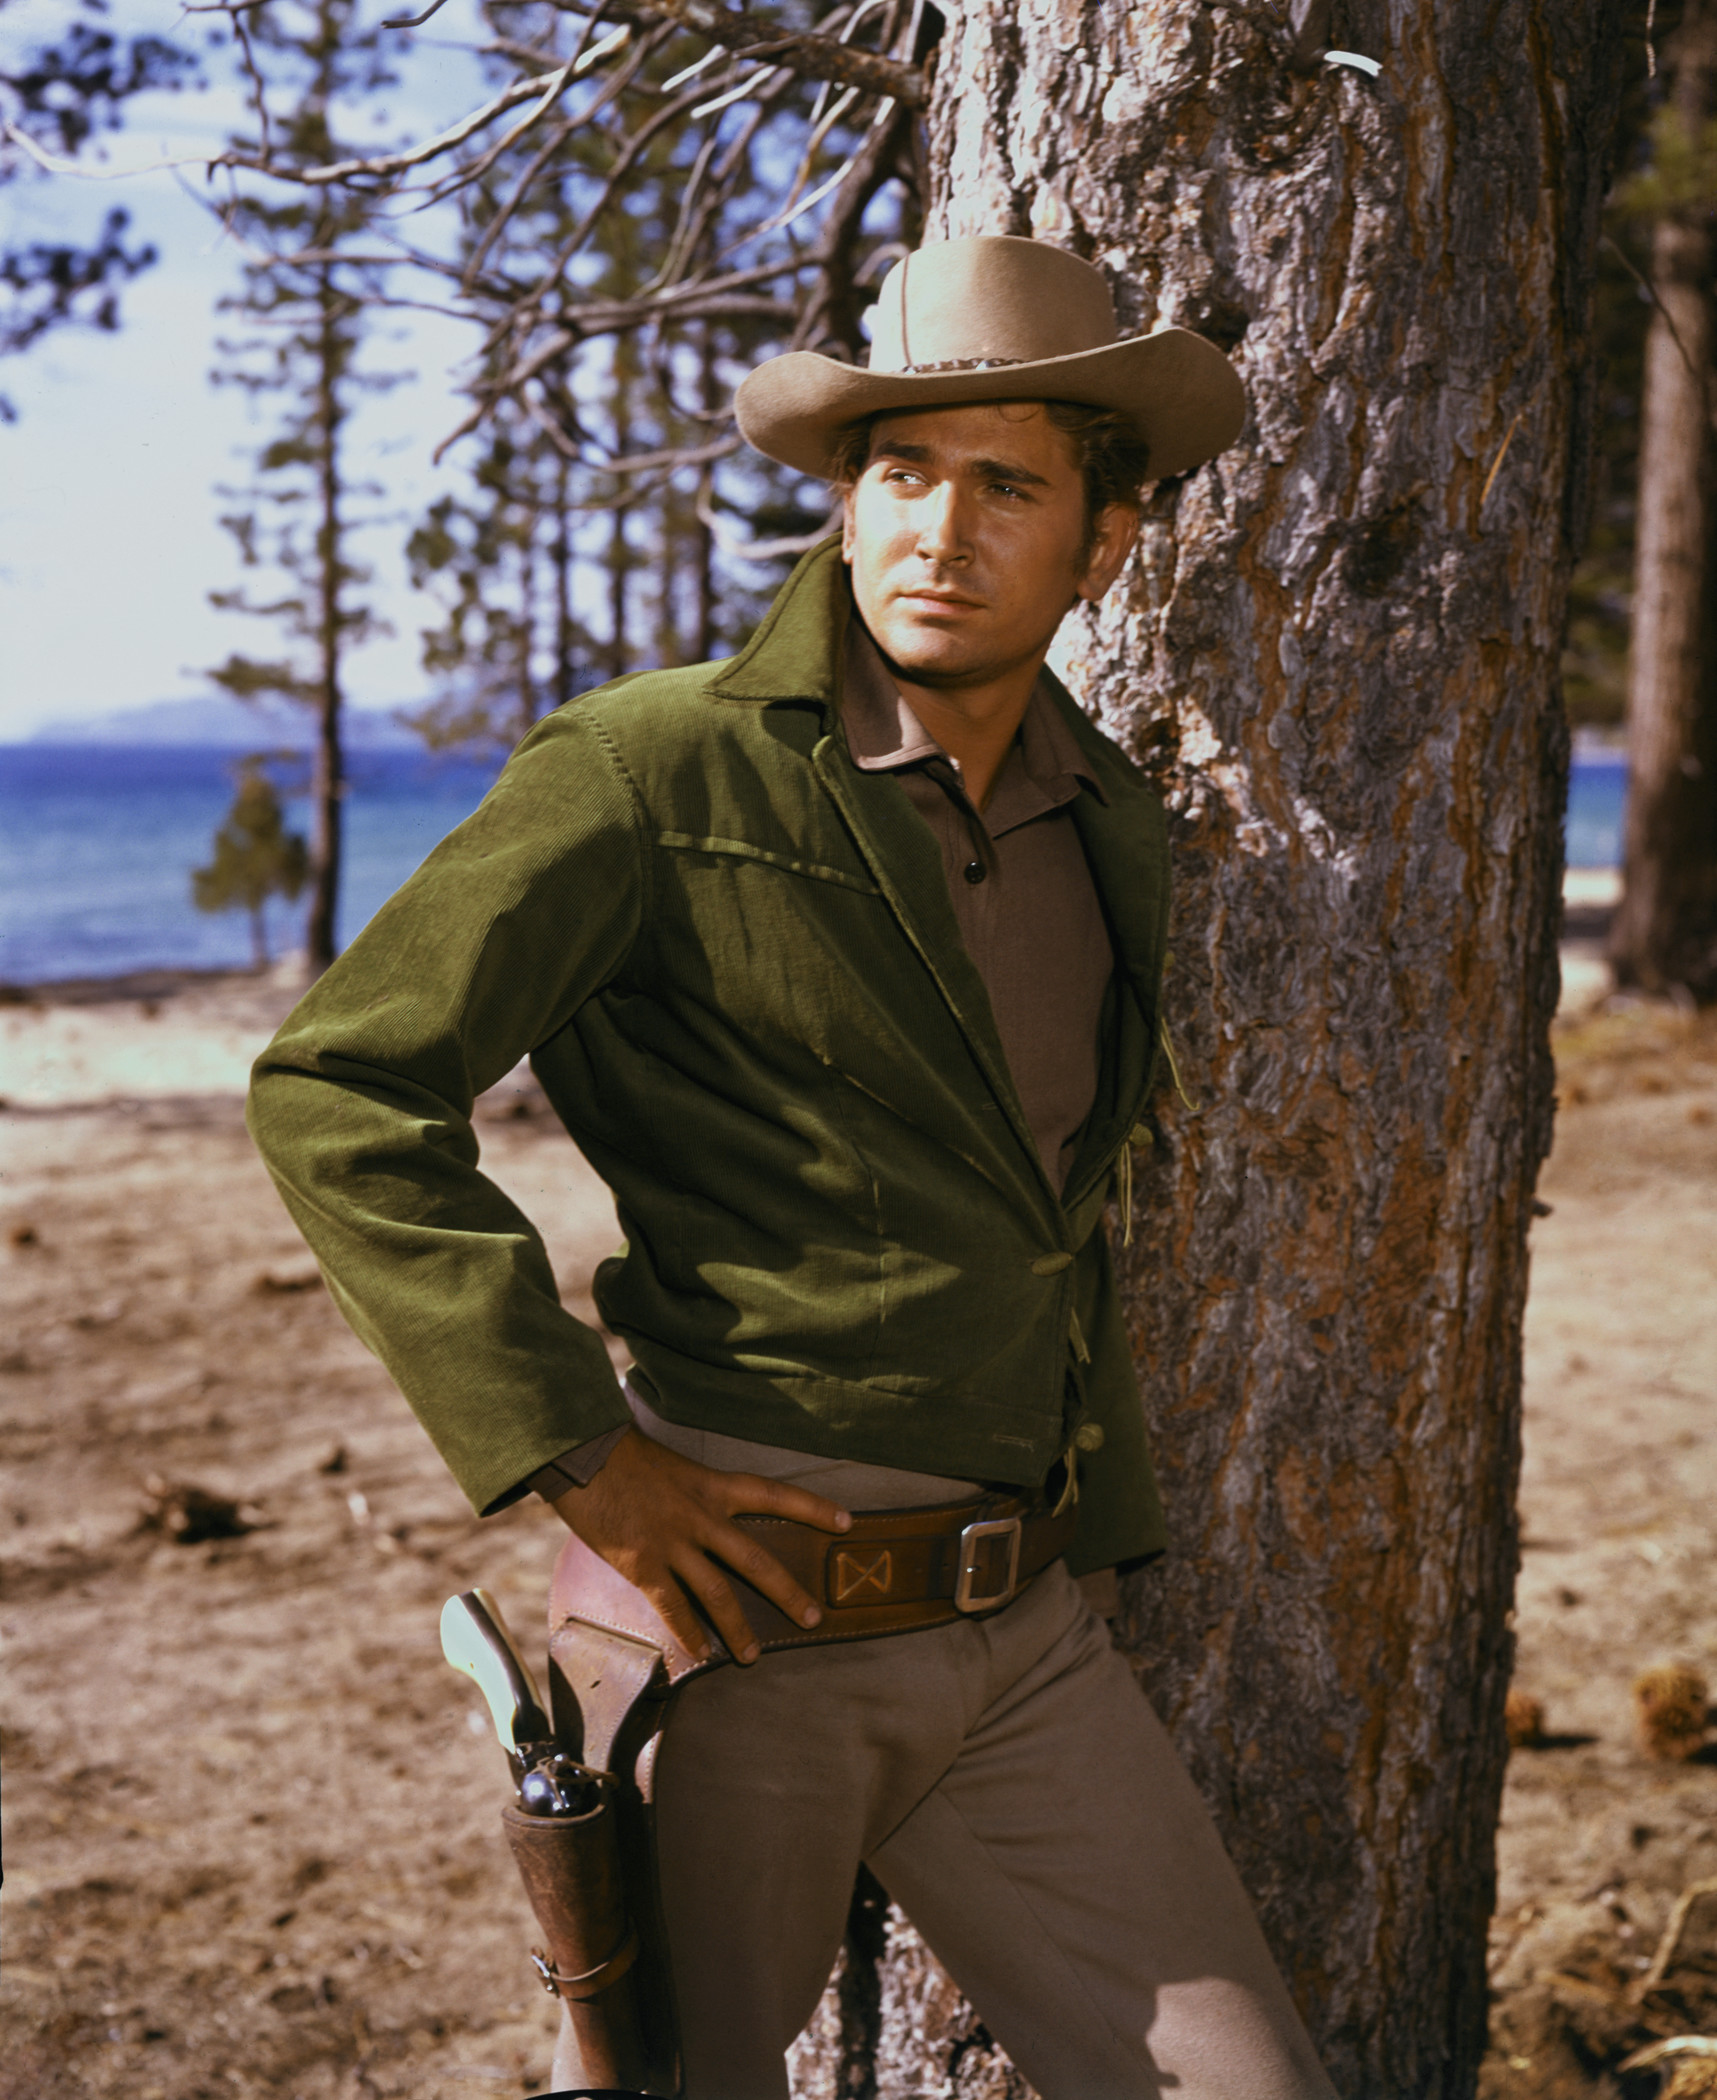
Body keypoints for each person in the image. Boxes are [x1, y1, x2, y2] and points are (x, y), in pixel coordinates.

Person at [248, 234, 1337, 2100]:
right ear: (846, 503)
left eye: (1007, 487)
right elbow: (337, 1086)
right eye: (901, 474)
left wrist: (1092, 1510)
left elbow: (1045, 1207)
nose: (940, 532)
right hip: (735, 1628)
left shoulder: (1101, 819)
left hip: (1022, 1637)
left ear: (1105, 542)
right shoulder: (653, 767)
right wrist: (582, 1458)